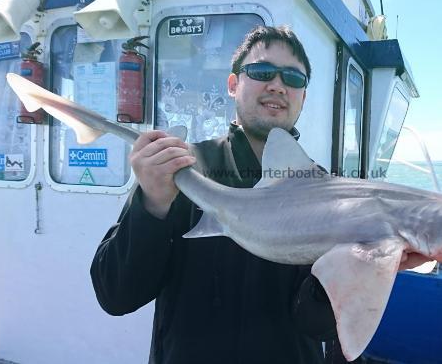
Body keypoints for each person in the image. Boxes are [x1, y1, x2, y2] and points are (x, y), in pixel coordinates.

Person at [91, 26, 337, 364]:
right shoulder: (181, 169)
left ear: (303, 96)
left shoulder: (323, 192)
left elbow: (320, 325)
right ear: (233, 85)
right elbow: (115, 295)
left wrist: (355, 269)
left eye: (293, 79)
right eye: (262, 72)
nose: (278, 85)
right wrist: (151, 203)